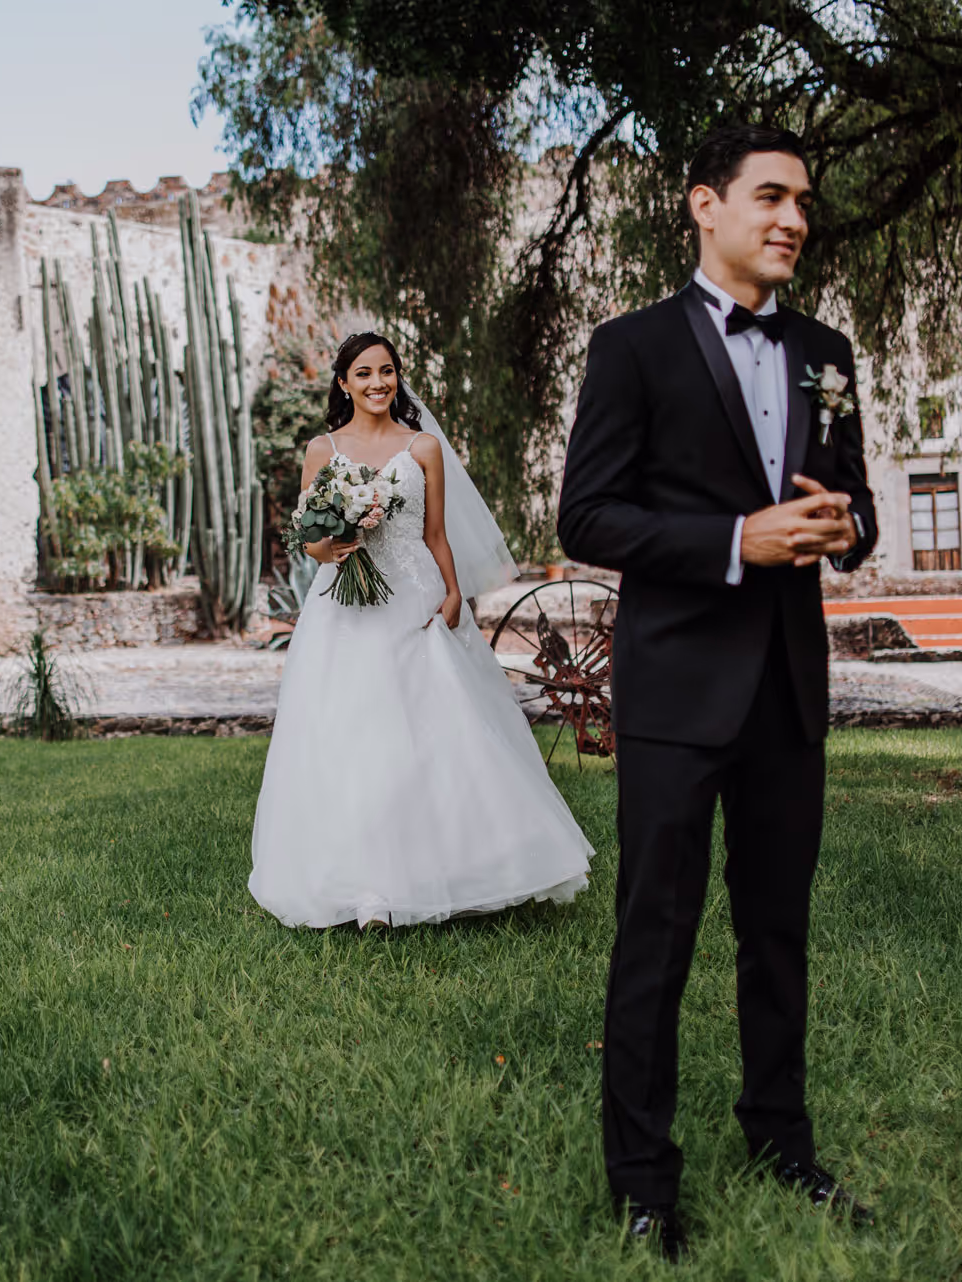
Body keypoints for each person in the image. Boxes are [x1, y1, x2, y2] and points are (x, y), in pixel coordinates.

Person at [556, 123, 880, 1260]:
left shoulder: (828, 351)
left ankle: (781, 1140)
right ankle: (643, 1178)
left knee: (777, 931)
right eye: (773, 198)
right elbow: (585, 517)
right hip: (676, 692)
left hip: (790, 692)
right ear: (706, 205)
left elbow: (857, 511)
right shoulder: (631, 348)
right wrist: (735, 538)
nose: (795, 219)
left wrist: (843, 525)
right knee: (656, 932)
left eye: (804, 204)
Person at [249, 332, 592, 929]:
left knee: (442, 730)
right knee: (354, 735)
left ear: (397, 377)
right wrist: (337, 543)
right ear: (343, 383)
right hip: (346, 611)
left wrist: (455, 591)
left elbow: (435, 535)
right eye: (363, 373)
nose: (377, 382)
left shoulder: (424, 447)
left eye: (387, 371)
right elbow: (310, 542)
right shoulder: (322, 448)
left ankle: (461, 868)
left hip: (416, 600)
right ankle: (365, 887)